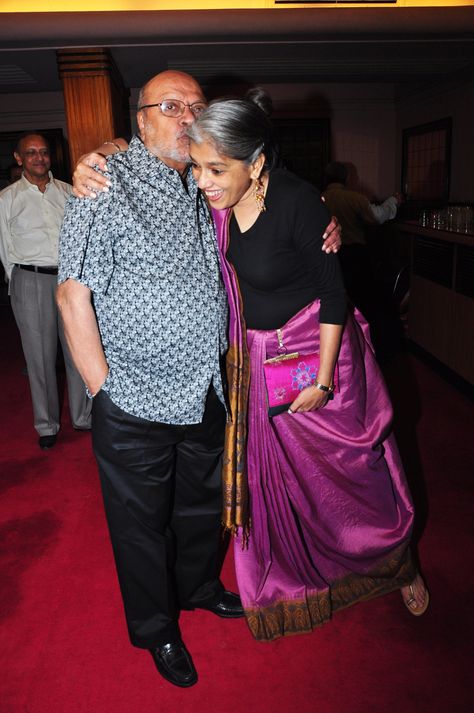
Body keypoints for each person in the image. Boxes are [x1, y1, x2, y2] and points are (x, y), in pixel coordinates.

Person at [57, 71, 342, 689]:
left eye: (196, 106)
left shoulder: (202, 183)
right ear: (140, 121)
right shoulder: (104, 186)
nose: (186, 116)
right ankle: (156, 629)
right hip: (134, 401)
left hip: (206, 391)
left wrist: (324, 223)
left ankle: (198, 586)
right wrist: (104, 391)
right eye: (170, 106)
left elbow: (273, 199)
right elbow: (71, 295)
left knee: (198, 509)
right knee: (139, 525)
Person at [184, 90, 428, 642]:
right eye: (197, 167)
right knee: (287, 484)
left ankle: (399, 561)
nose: (202, 180)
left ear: (258, 162)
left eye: (216, 169)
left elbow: (334, 298)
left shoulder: (298, 203)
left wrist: (322, 382)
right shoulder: (214, 203)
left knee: (352, 475)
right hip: (255, 361)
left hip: (316, 357)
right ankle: (296, 576)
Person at [0, 133, 91, 449]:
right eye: (31, 153)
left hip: (69, 281)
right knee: (38, 357)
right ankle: (46, 425)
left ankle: (83, 416)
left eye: (43, 152)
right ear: (18, 158)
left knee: (78, 350)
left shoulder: (69, 192)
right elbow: (4, 248)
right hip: (30, 279)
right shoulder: (7, 199)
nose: (39, 157)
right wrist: (18, 286)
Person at [322, 161, 403, 361]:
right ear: (347, 178)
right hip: (356, 258)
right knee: (364, 306)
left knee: (337, 307)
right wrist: (394, 200)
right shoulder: (352, 198)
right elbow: (378, 216)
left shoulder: (318, 198)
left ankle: (341, 353)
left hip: (329, 259)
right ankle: (366, 352)